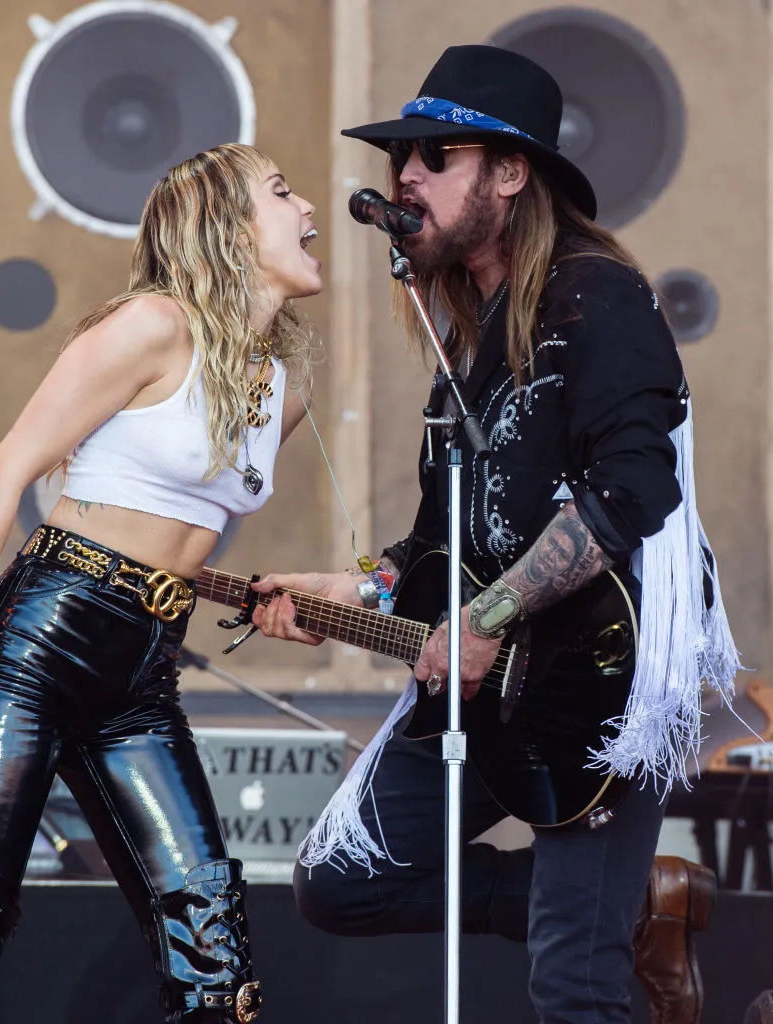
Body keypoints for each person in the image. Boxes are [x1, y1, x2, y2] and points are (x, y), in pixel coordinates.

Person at [250, 47, 735, 1023]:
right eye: (399, 160)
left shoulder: (597, 298)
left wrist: (490, 614)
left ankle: (595, 920)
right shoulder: (469, 340)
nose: (406, 178)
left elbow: (633, 488)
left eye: (434, 155)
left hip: (602, 669)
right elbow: (445, 541)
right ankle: (631, 906)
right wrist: (360, 594)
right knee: (341, 877)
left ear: (511, 173)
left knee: (573, 985)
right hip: (488, 678)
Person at [0, 142, 321, 1024]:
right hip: (42, 639)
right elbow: (5, 477)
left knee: (211, 944)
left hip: (143, 664)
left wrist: (262, 592)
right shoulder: (151, 325)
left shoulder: (282, 385)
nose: (308, 204)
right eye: (279, 191)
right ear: (226, 228)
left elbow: (166, 524)